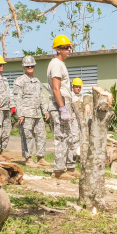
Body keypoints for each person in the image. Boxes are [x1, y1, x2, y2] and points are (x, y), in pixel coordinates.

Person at [47, 35, 80, 180]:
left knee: (69, 136)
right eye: (66, 47)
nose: (69, 50)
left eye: (69, 47)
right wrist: (62, 108)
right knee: (61, 137)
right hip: (59, 103)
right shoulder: (56, 64)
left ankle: (69, 167)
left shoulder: (60, 64)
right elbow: (56, 88)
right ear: (58, 50)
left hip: (64, 102)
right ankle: (58, 170)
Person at [13, 55, 51, 167]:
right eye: (27, 66)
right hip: (26, 114)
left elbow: (41, 97)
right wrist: (20, 114)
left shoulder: (36, 81)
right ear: (24, 67)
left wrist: (45, 110)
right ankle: (28, 159)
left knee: (41, 135)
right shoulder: (20, 80)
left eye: (32, 66)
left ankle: (41, 158)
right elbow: (17, 99)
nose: (30, 67)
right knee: (27, 136)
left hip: (37, 114)